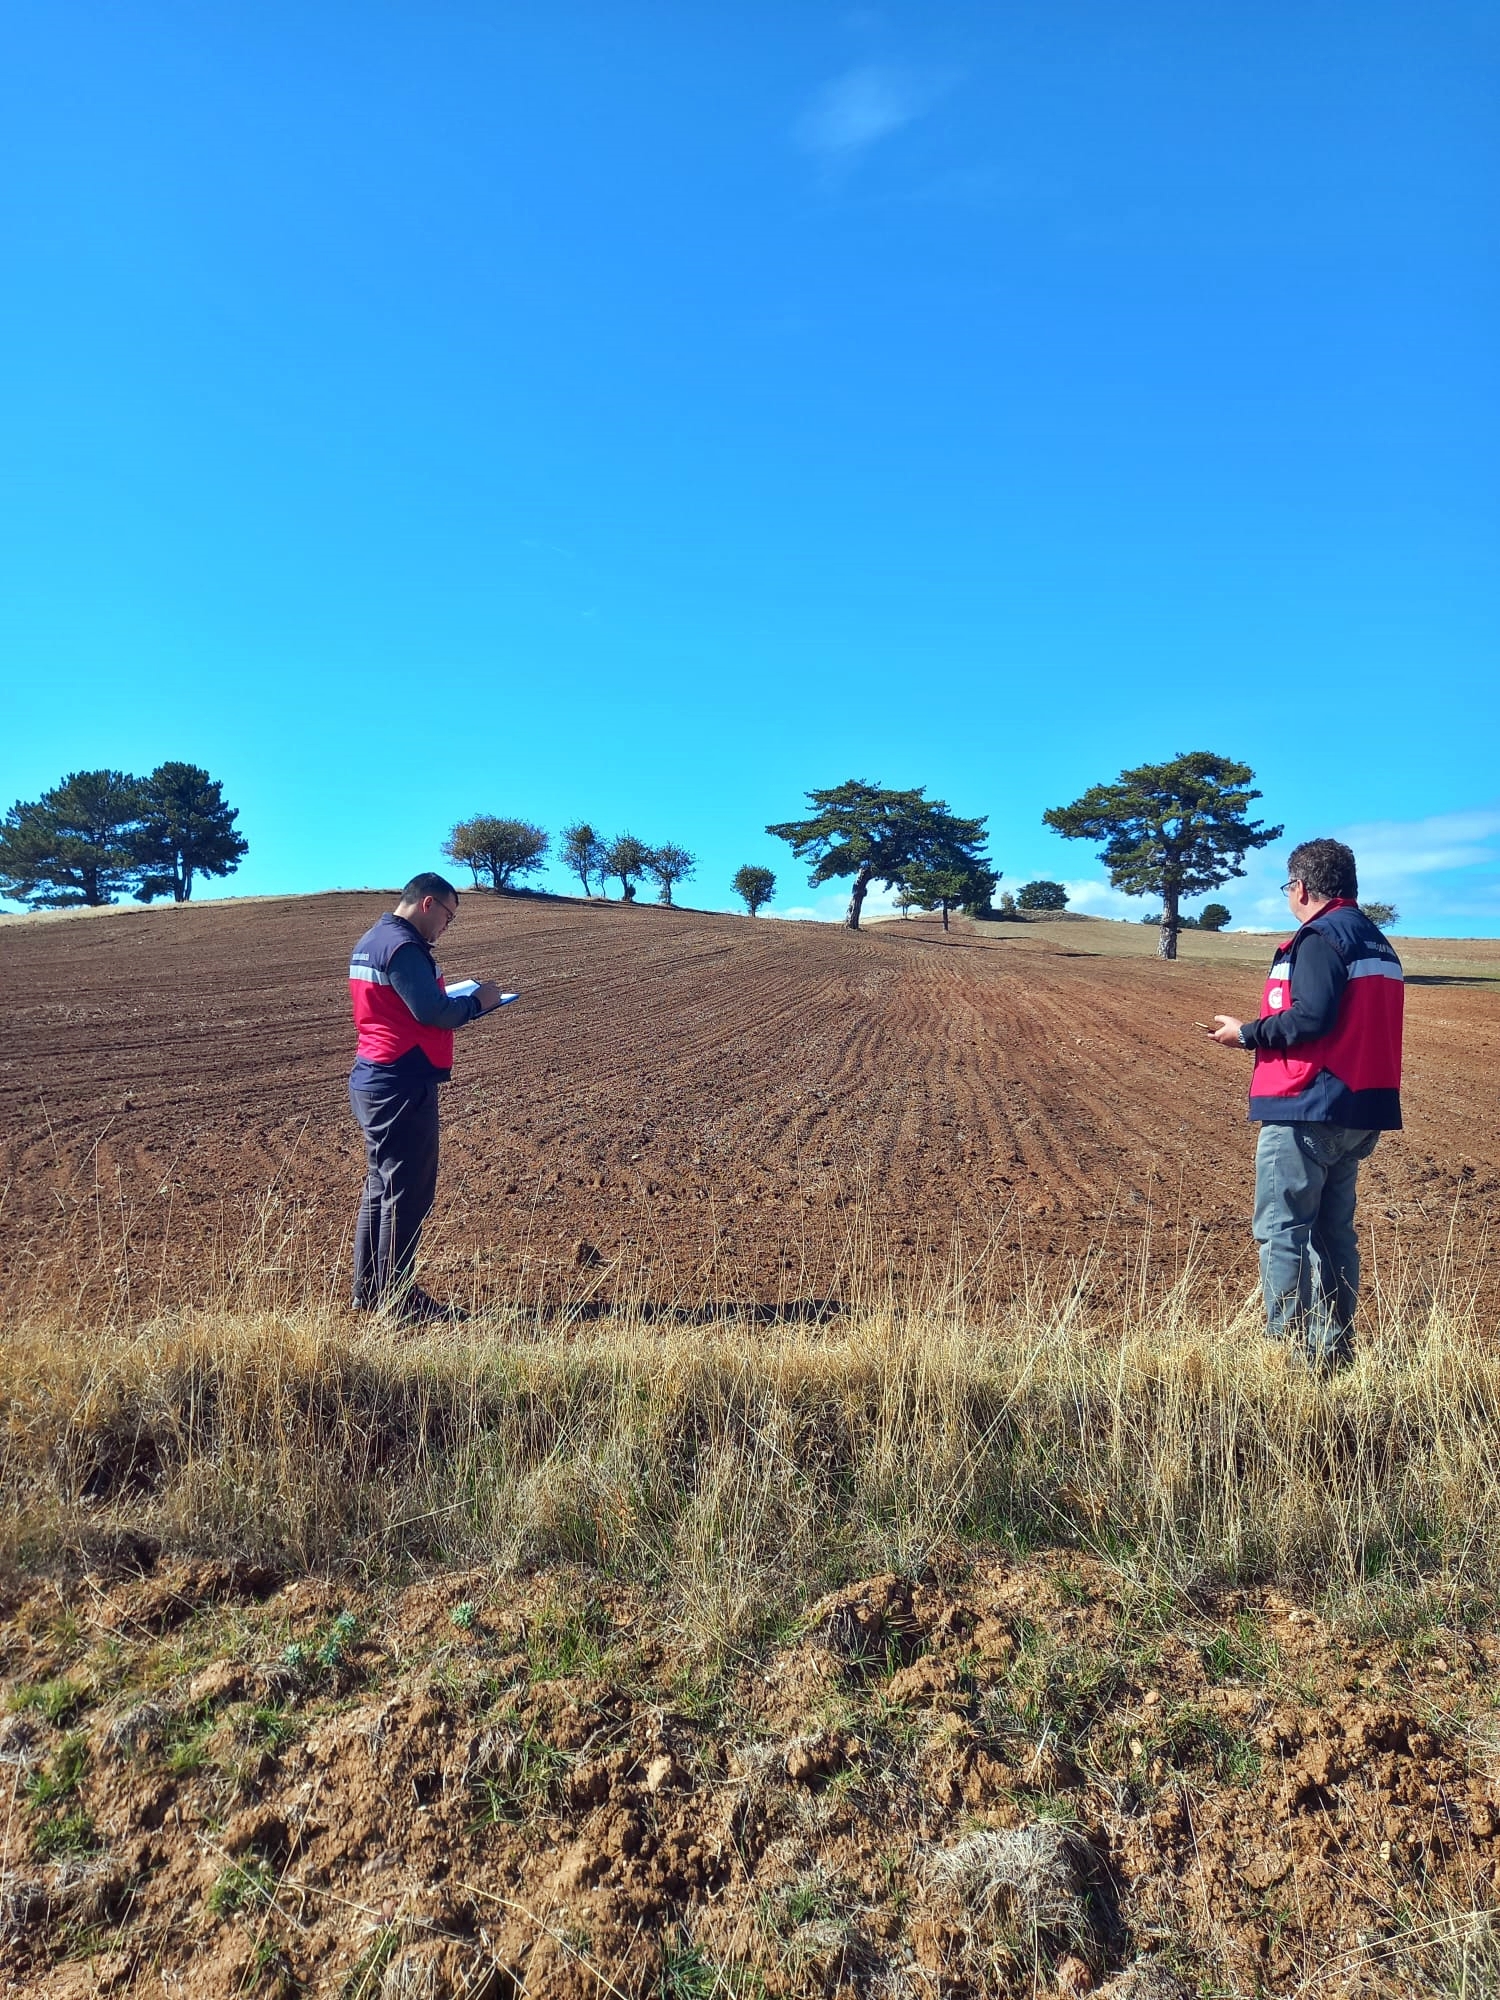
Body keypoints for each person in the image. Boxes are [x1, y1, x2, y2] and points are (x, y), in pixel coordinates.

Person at [1208, 838, 1403, 1368]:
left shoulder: (1319, 937)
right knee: (1332, 1232)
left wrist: (1246, 1033)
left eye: (1287, 888)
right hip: (1361, 1109)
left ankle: (1288, 1357)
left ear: (1301, 887)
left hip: (1308, 1104)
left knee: (1281, 1230)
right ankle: (1333, 1353)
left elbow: (1311, 1017)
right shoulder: (1377, 942)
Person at [347, 873, 506, 1321]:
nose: (446, 928)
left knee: (380, 1187)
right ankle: (397, 1302)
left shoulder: (372, 940)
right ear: (428, 903)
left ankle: (369, 1293)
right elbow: (432, 1011)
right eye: (448, 917)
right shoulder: (402, 948)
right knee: (406, 1193)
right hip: (401, 1081)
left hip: (374, 1075)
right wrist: (480, 1003)